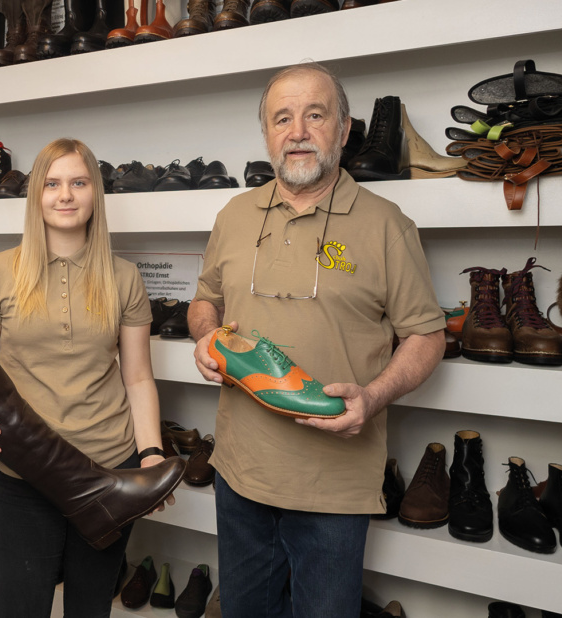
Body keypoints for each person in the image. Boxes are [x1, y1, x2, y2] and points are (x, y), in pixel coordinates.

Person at [187, 63, 446, 617]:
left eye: (315, 115)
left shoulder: (385, 225)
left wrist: (372, 398)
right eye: (282, 118)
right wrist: (207, 337)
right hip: (239, 474)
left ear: (344, 128)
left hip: (334, 487)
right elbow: (205, 299)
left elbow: (426, 335)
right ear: (266, 133)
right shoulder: (234, 215)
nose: (297, 131)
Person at [0, 138, 173, 618]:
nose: (65, 195)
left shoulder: (125, 277)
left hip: (109, 470)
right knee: (19, 607)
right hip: (25, 468)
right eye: (52, 183)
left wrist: (151, 453)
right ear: (36, 195)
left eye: (78, 182)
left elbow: (137, 377)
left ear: (95, 193)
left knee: (90, 608)